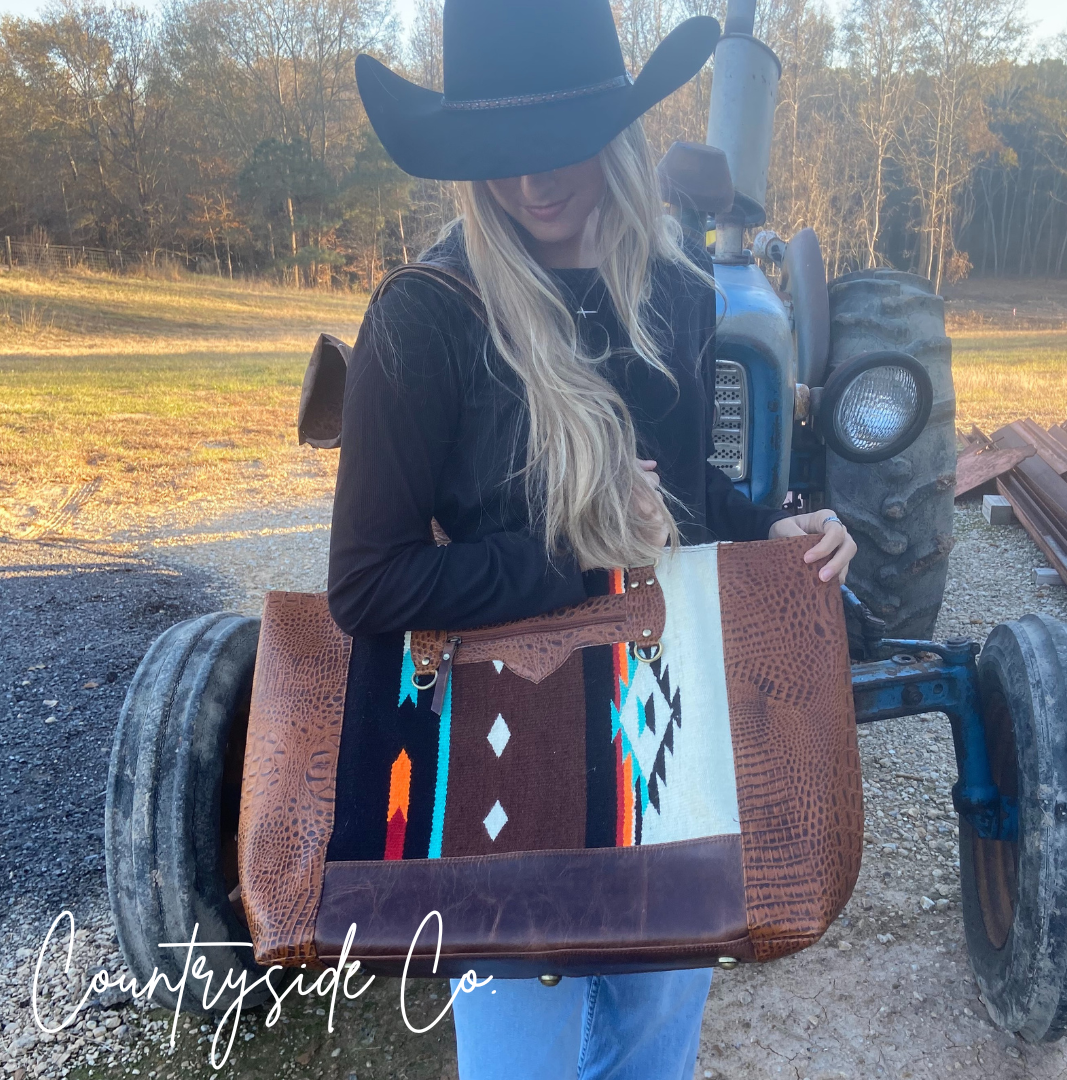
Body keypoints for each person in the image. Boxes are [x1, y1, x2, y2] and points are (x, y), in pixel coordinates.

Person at [328, 2, 857, 1077]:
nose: (530, 181)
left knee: (655, 1043)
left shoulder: (676, 297)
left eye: (558, 137)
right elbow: (367, 585)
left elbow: (689, 494)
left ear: (617, 129)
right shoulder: (423, 319)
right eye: (497, 152)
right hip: (492, 777)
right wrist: (571, 555)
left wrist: (774, 527)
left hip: (665, 752)